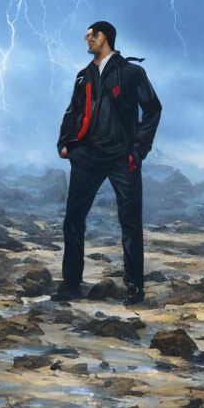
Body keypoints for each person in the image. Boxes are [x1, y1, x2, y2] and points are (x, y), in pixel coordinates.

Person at [53, 21, 162, 305]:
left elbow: (153, 109)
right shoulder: (82, 76)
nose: (87, 38)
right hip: (87, 156)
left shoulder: (131, 72)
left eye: (92, 34)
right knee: (73, 220)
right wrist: (65, 143)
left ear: (106, 38)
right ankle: (71, 284)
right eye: (87, 34)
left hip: (121, 156)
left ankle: (135, 289)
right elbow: (73, 111)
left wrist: (138, 149)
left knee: (130, 223)